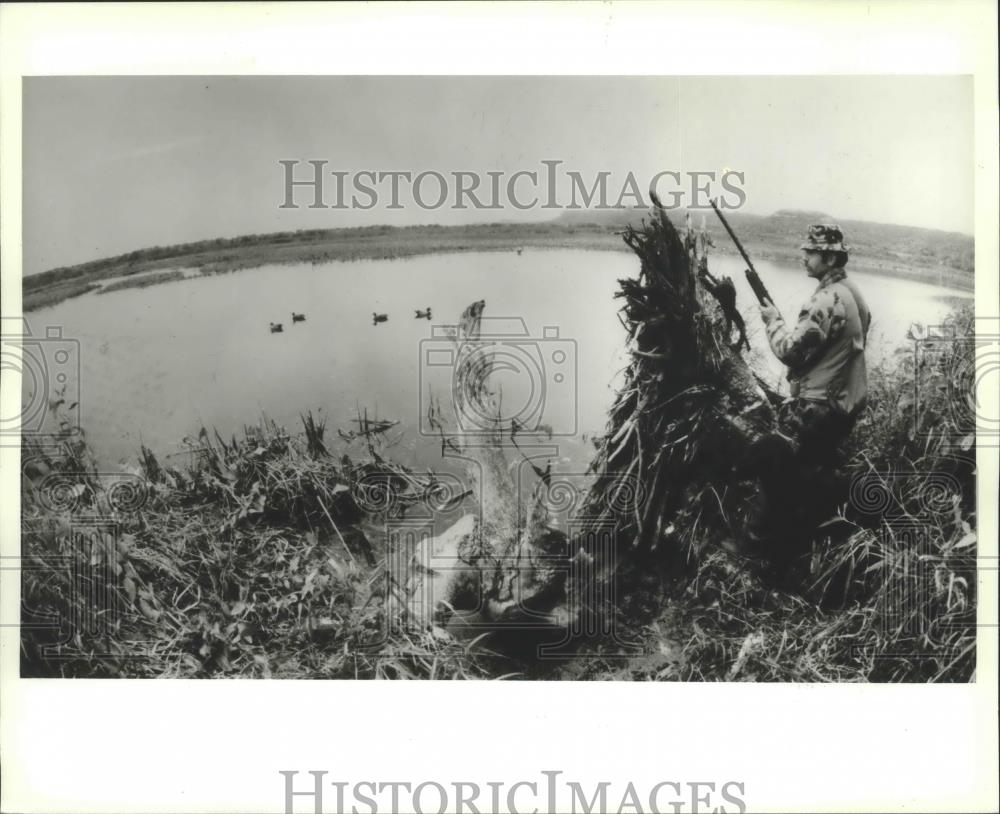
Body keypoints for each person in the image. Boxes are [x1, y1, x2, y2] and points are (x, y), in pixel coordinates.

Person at [741, 224, 872, 562]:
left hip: (819, 408)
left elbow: (790, 351)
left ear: (830, 257)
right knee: (807, 464)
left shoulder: (824, 301)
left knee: (774, 463)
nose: (803, 257)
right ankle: (829, 501)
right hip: (843, 404)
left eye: (810, 252)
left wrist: (772, 320)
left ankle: (762, 545)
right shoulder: (854, 292)